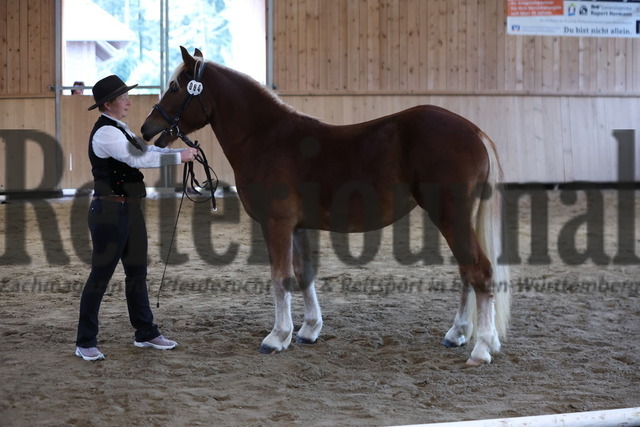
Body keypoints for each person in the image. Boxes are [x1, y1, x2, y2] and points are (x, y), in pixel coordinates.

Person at [75, 75, 198, 361]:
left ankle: (145, 332)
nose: (128, 101)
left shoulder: (119, 128)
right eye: (123, 98)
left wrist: (180, 151)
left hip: (129, 210)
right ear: (108, 104)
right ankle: (84, 340)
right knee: (100, 278)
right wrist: (179, 158)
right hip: (109, 213)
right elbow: (136, 159)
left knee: (137, 274)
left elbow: (147, 151)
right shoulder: (106, 133)